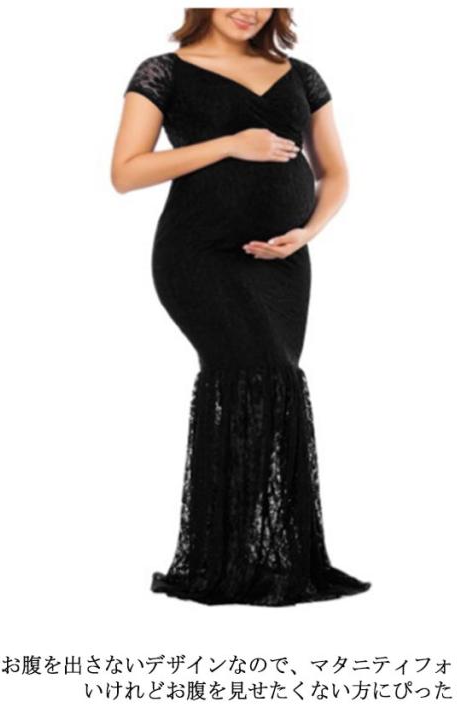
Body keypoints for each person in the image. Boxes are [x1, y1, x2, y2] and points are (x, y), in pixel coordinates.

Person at [111, 7, 371, 606]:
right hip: (198, 255)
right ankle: (223, 561)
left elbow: (335, 173)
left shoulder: (301, 76)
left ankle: (256, 555)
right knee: (256, 373)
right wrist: (231, 144)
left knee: (268, 388)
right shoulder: (163, 72)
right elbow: (126, 172)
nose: (248, 8)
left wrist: (307, 233)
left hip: (283, 263)